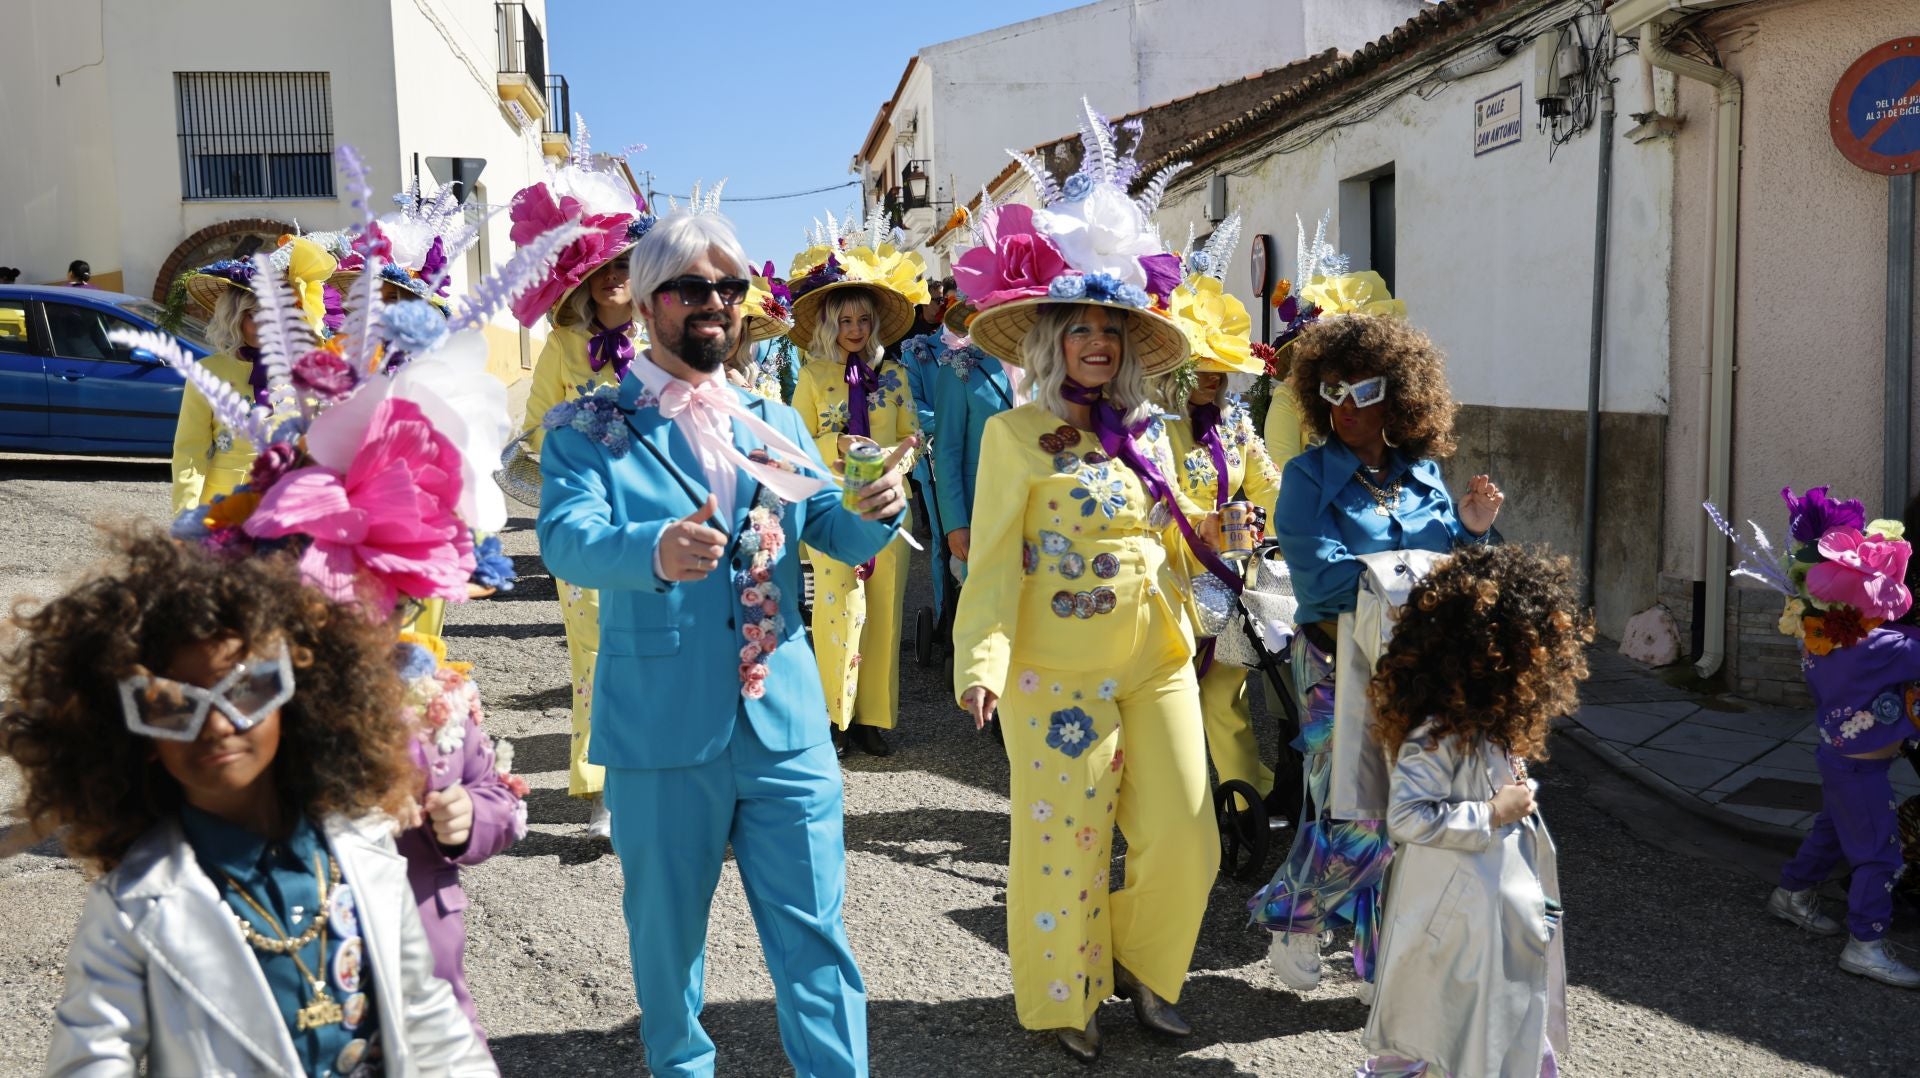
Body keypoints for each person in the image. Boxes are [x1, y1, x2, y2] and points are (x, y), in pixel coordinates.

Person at [536, 208, 912, 1076]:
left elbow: (830, 526)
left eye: (731, 288)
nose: (716, 303)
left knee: (818, 937)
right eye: (692, 288)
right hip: (660, 730)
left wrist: (877, 512)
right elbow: (565, 538)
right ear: (645, 303)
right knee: (667, 948)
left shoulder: (771, 416)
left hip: (786, 726)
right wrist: (652, 550)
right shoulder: (589, 426)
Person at [3, 532, 495, 1075]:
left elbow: (429, 1020)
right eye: (171, 707)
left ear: (300, 693)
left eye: (246, 689)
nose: (217, 724)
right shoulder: (132, 906)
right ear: (132, 735)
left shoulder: (367, 845)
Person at [953, 100, 1228, 1062]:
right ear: (1053, 341)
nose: (1099, 344)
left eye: (1113, 328)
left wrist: (1216, 537)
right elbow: (992, 563)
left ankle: (1146, 967)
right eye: (1081, 329)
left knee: (1188, 832)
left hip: (1157, 659)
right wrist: (980, 664)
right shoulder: (1011, 436)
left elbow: (1171, 540)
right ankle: (1063, 996)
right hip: (1054, 674)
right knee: (1063, 840)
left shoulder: (1151, 433)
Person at [1253, 314, 1504, 997]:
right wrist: (1425, 574)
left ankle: (1374, 960)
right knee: (1357, 809)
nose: (1346, 407)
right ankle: (1296, 915)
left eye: (1363, 391)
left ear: (1398, 396)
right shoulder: (1306, 478)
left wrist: (1473, 531)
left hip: (1417, 665)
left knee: (1413, 807)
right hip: (1337, 661)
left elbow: (1460, 572)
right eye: (1332, 391)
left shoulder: (1424, 474)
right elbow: (1324, 579)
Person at [1359, 544, 1584, 1078]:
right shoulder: (1437, 735)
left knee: (1498, 1035)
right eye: (1530, 653)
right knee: (1460, 1040)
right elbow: (1407, 818)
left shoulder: (1487, 727)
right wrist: (1491, 812)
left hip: (1492, 927)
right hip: (1459, 934)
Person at [509, 144, 650, 841]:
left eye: (624, 266)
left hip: (655, 518)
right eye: (601, 271)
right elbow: (535, 430)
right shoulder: (563, 349)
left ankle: (659, 783)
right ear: (582, 282)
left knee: (658, 650)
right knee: (593, 656)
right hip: (587, 523)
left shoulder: (664, 340)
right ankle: (602, 792)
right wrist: (584, 426)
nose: (613, 280)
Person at [1731, 486, 1920, 988]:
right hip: (1863, 769)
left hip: (1838, 757)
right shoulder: (1882, 646)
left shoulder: (1825, 640)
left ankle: (1791, 895)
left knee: (1833, 830)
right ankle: (1866, 944)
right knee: (1880, 854)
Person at [788, 220, 928, 757]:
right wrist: (838, 446)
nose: (854, 328)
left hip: (889, 505)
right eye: (845, 319)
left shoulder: (895, 375)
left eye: (863, 319)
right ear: (830, 323)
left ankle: (873, 718)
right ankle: (834, 718)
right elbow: (795, 444)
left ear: (874, 325)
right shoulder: (812, 377)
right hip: (832, 508)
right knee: (838, 611)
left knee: (886, 611)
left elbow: (914, 436)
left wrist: (897, 461)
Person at [1161, 226, 1284, 799]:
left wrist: (1292, 522)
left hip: (1231, 575)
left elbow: (1266, 484)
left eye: (1219, 370)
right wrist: (1201, 528)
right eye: (1201, 368)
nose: (1213, 380)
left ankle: (1242, 794)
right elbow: (1160, 493)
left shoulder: (1234, 420)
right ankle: (1174, 802)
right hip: (1171, 576)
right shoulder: (1152, 425)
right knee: (1174, 698)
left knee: (1228, 691)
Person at [168, 237, 341, 515]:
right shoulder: (207, 372)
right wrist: (185, 513)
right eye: (255, 314)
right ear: (235, 317)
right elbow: (190, 454)